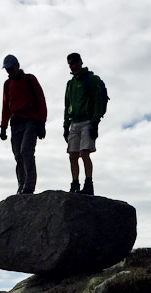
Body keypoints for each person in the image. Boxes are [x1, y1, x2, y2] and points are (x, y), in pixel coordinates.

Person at [0, 55, 47, 194]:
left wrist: (41, 123)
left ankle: (29, 186)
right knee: (18, 156)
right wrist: (3, 127)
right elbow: (5, 107)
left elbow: (41, 100)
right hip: (15, 123)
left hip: (31, 120)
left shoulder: (30, 79)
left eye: (11, 68)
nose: (9, 71)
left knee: (26, 151)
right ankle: (21, 185)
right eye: (7, 69)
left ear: (17, 65)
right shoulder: (7, 85)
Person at [63, 53, 103, 195]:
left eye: (75, 63)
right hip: (74, 122)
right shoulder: (70, 84)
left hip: (87, 121)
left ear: (80, 62)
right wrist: (65, 126)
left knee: (84, 153)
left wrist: (95, 122)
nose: (73, 66)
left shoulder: (91, 80)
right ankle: (75, 183)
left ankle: (88, 183)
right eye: (70, 64)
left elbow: (98, 101)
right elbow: (67, 106)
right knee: (72, 155)